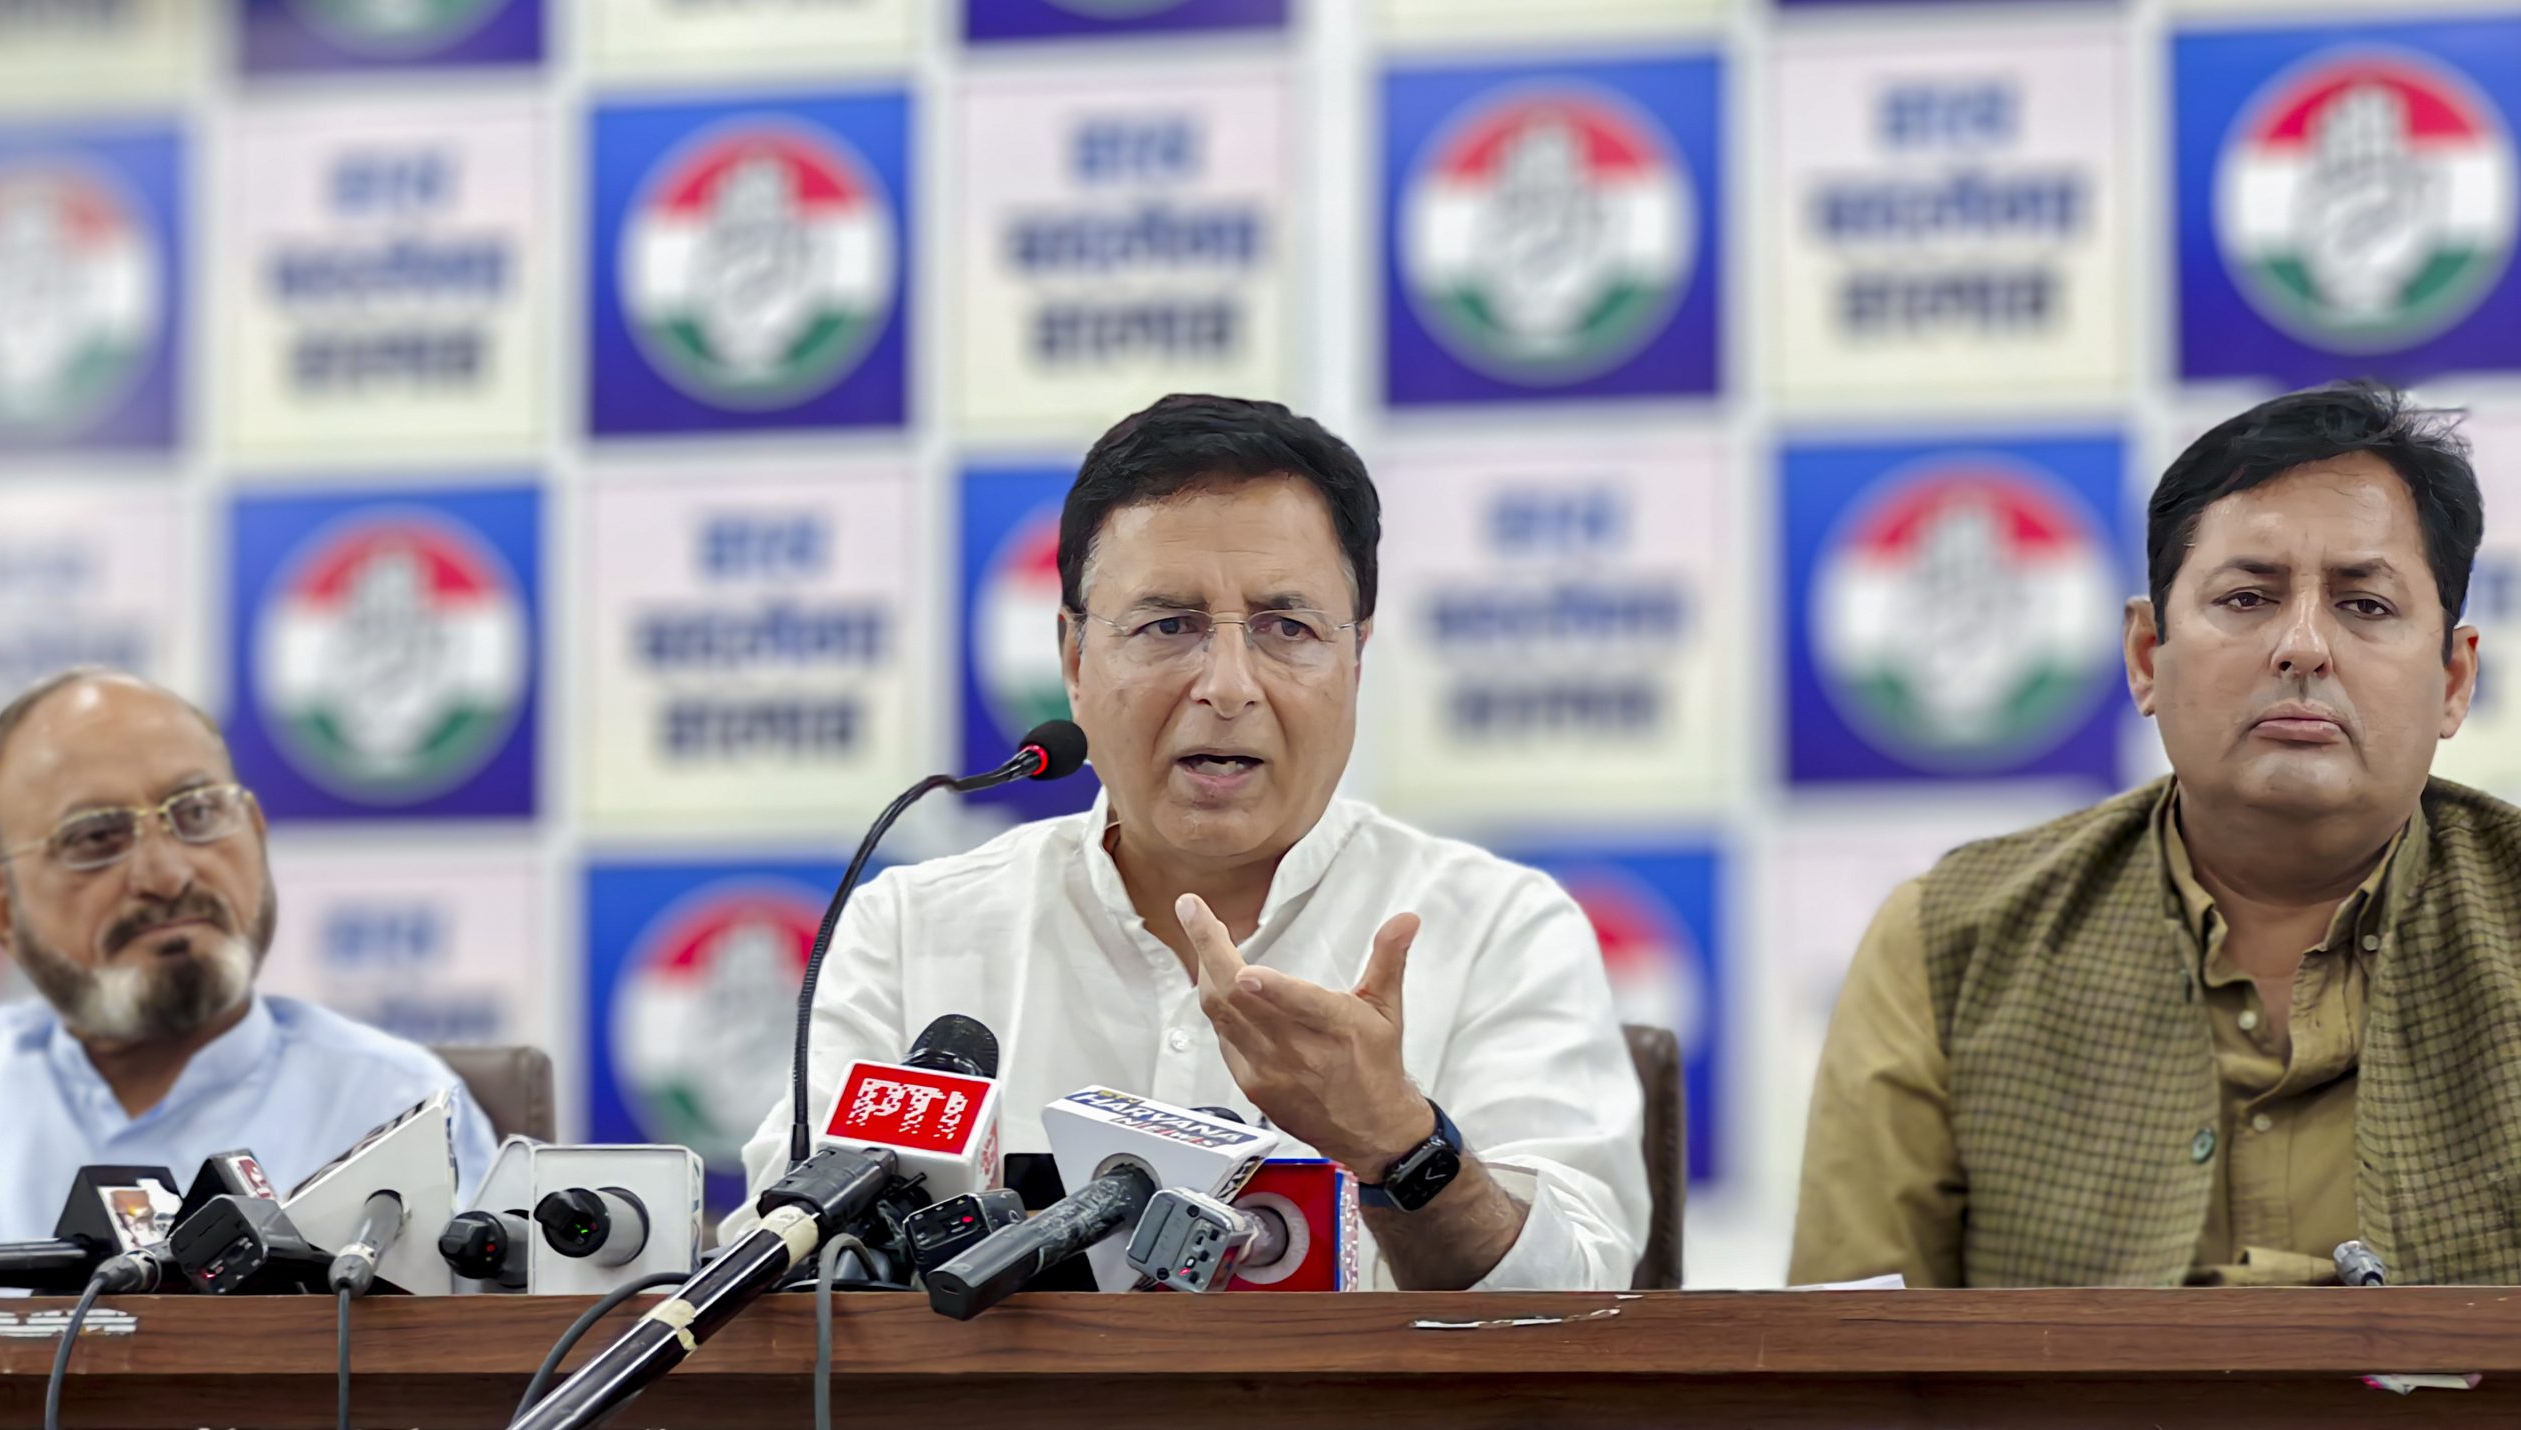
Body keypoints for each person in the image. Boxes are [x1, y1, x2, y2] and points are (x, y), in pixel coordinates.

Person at [734, 394, 1647, 1289]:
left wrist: (1399, 1144)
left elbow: (1574, 1303)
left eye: (1287, 628)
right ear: (1075, 659)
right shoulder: (908, 935)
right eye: (1168, 625)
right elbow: (784, 1268)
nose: (1228, 685)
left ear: (1356, 661)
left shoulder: (1498, 931)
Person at [1791, 380, 2517, 1287]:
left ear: (2453, 681)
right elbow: (1852, 1347)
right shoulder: (1951, 945)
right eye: (2247, 598)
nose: (2302, 646)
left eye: (2364, 605)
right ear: (2146, 656)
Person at [0, 668, 498, 1243]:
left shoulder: (395, 1111)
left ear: (256, 833)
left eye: (198, 814)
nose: (167, 876)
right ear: (1, 909)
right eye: (96, 838)